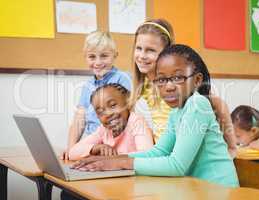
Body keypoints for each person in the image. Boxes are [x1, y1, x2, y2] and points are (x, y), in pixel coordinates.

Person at [72, 44, 239, 188]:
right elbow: (159, 151)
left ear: (197, 80)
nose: (169, 87)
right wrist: (113, 160)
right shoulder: (177, 112)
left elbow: (176, 165)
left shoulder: (197, 104)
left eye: (177, 77)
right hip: (196, 189)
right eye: (161, 80)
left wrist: (121, 163)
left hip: (218, 190)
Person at [131, 19, 237, 155]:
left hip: (187, 156)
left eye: (150, 50)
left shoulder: (182, 82)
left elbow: (218, 104)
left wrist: (232, 146)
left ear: (166, 53)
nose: (142, 56)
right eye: (138, 48)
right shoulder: (142, 88)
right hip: (165, 155)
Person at [62, 31, 131, 160]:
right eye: (92, 57)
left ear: (115, 55)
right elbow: (79, 119)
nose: (98, 62)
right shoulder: (87, 86)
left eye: (104, 56)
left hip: (114, 146)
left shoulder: (123, 79)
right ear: (85, 57)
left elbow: (129, 117)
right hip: (92, 146)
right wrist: (71, 149)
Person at [68, 83, 153, 160]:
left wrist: (112, 159)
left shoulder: (137, 122)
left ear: (128, 103)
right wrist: (95, 148)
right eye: (100, 112)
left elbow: (147, 154)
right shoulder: (103, 130)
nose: (108, 114)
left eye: (113, 105)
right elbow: (72, 153)